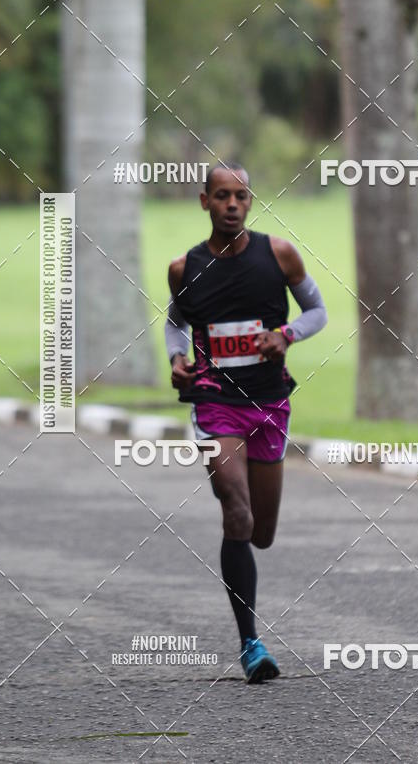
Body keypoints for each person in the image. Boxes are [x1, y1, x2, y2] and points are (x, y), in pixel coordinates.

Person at [165, 163, 327, 683]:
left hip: (269, 403)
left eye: (240, 196)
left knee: (261, 533)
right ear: (204, 202)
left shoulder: (278, 253)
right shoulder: (183, 268)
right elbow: (176, 322)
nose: (231, 204)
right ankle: (251, 645)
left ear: (249, 202)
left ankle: (250, 610)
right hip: (215, 405)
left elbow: (318, 311)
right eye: (221, 196)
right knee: (236, 513)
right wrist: (176, 360)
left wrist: (289, 334)